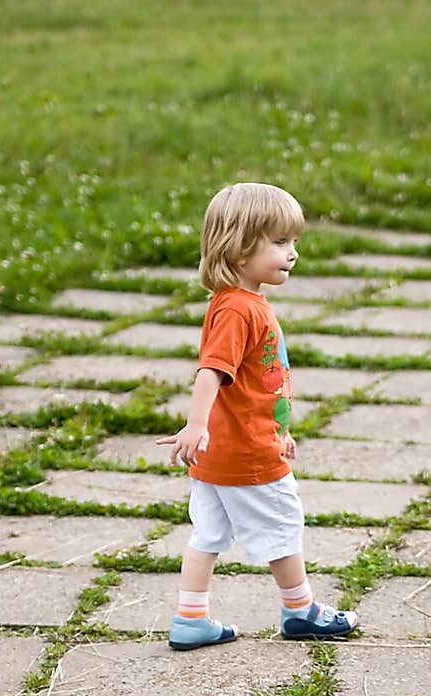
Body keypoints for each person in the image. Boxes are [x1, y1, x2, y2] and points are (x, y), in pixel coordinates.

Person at [156, 181, 359, 648]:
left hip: (224, 451)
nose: (292, 254)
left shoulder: (237, 303)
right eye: (280, 242)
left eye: (294, 243)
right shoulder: (238, 310)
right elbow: (212, 371)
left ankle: (191, 618)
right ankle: (300, 610)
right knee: (283, 525)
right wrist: (196, 424)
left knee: (207, 533)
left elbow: (253, 386)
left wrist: (278, 431)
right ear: (241, 247)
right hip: (245, 454)